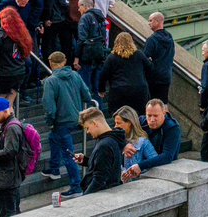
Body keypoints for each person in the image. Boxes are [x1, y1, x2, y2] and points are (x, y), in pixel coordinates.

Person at [40, 51, 90, 197]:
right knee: (53, 138)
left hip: (61, 121)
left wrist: (50, 121)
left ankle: (76, 186)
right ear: (65, 61)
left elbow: (49, 108)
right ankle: (54, 168)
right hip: (76, 118)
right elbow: (87, 95)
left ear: (51, 63)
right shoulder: (75, 75)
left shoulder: (50, 81)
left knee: (68, 154)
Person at [123, 99, 182, 180]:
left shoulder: (172, 128)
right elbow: (120, 132)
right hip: (143, 159)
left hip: (162, 164)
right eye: (149, 115)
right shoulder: (142, 121)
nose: (152, 119)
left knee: (140, 141)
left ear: (164, 114)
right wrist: (124, 145)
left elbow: (167, 156)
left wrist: (140, 166)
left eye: (156, 116)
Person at [76, 107, 126, 195]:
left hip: (102, 197)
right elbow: (105, 165)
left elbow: (99, 179)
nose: (87, 132)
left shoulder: (104, 145)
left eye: (88, 128)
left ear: (95, 123)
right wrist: (86, 161)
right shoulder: (112, 138)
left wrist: (84, 199)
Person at [99, 31, 150, 115]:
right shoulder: (139, 54)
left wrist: (102, 90)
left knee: (120, 117)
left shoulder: (111, 57)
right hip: (139, 90)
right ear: (131, 42)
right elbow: (150, 68)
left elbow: (103, 75)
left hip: (119, 91)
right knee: (140, 117)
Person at [113, 105, 158, 175]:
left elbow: (156, 163)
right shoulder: (114, 141)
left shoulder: (143, 142)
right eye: (115, 123)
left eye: (118, 123)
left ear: (129, 123)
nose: (115, 126)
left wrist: (139, 170)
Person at [142, 11, 175, 103]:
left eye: (150, 20)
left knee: (153, 103)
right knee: (163, 102)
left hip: (154, 77)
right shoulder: (169, 37)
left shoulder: (152, 40)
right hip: (167, 75)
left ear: (157, 22)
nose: (149, 23)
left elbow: (144, 58)